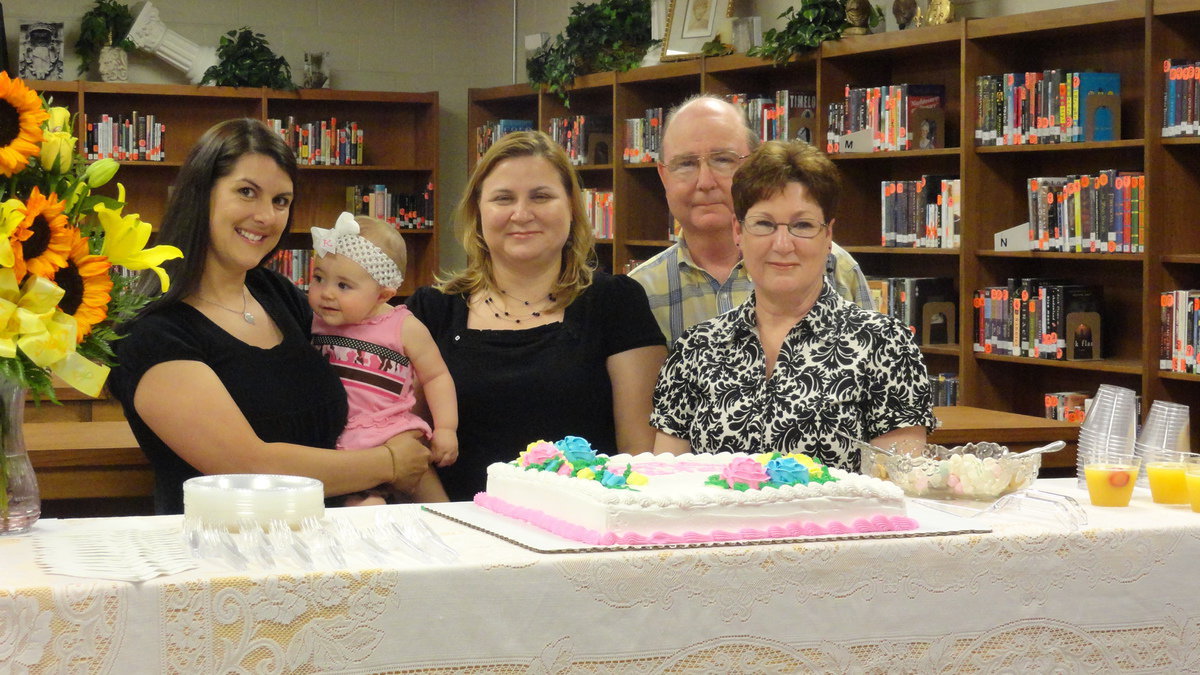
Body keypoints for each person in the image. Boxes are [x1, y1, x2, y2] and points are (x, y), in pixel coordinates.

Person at [109, 118, 431, 514]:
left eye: (281, 201)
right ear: (200, 195)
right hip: (227, 557)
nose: (267, 216)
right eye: (247, 192)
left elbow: (372, 353)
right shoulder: (153, 331)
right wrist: (390, 463)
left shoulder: (276, 293)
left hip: (332, 542)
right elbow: (248, 467)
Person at [407, 130, 666, 501]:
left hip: (582, 536)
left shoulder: (616, 303)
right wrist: (451, 524)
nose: (522, 213)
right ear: (477, 213)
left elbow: (637, 456)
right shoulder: (430, 311)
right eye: (503, 198)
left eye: (541, 196)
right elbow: (405, 439)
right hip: (455, 530)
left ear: (573, 208)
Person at [651, 140, 935, 471]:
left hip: (844, 524)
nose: (782, 244)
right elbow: (667, 488)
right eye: (764, 224)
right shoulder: (695, 349)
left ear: (827, 235)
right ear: (738, 231)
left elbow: (897, 490)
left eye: (802, 225)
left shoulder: (886, 345)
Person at [629, 95, 875, 347]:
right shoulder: (638, 292)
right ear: (663, 175)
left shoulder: (835, 268)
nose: (705, 182)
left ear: (755, 165)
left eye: (723, 159)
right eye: (686, 164)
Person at [308, 212, 457, 505]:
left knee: (435, 502)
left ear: (382, 294)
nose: (326, 293)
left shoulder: (404, 326)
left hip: (391, 428)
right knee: (363, 507)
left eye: (343, 286)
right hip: (342, 441)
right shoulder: (314, 321)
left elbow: (435, 376)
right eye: (318, 278)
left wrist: (446, 428)